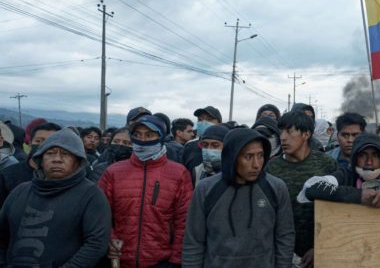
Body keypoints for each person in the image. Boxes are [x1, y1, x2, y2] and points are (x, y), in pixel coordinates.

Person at [182, 127, 295, 268]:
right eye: (248, 157)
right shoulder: (206, 190)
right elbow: (193, 243)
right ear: (232, 156)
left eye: (260, 155)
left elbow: (285, 237)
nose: (256, 165)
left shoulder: (276, 188)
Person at [0, 128, 111, 267]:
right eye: (50, 153)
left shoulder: (91, 195)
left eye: (66, 154)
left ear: (77, 161)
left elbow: (96, 244)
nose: (57, 159)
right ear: (41, 159)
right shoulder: (20, 191)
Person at [99, 114, 193, 268]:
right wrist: (111, 242)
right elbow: (101, 215)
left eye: (149, 135)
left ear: (161, 137)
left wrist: (176, 260)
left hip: (162, 261)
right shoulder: (113, 172)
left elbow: (184, 220)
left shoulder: (178, 173)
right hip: (119, 260)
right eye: (137, 135)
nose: (142, 140)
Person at [265, 111, 337, 268]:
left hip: (320, 253)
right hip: (281, 254)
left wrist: (320, 247)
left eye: (290, 131)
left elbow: (336, 210)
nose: (283, 137)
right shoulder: (271, 168)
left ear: (306, 134)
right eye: (281, 131)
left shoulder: (326, 164)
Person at [0, 122, 61, 208]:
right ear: (29, 144)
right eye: (39, 141)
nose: (45, 145)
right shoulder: (7, 175)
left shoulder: (65, 176)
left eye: (51, 141)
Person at [182, 106, 224, 181]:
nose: (204, 122)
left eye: (209, 119)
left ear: (219, 123)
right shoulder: (189, 146)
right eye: (200, 119)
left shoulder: (227, 144)